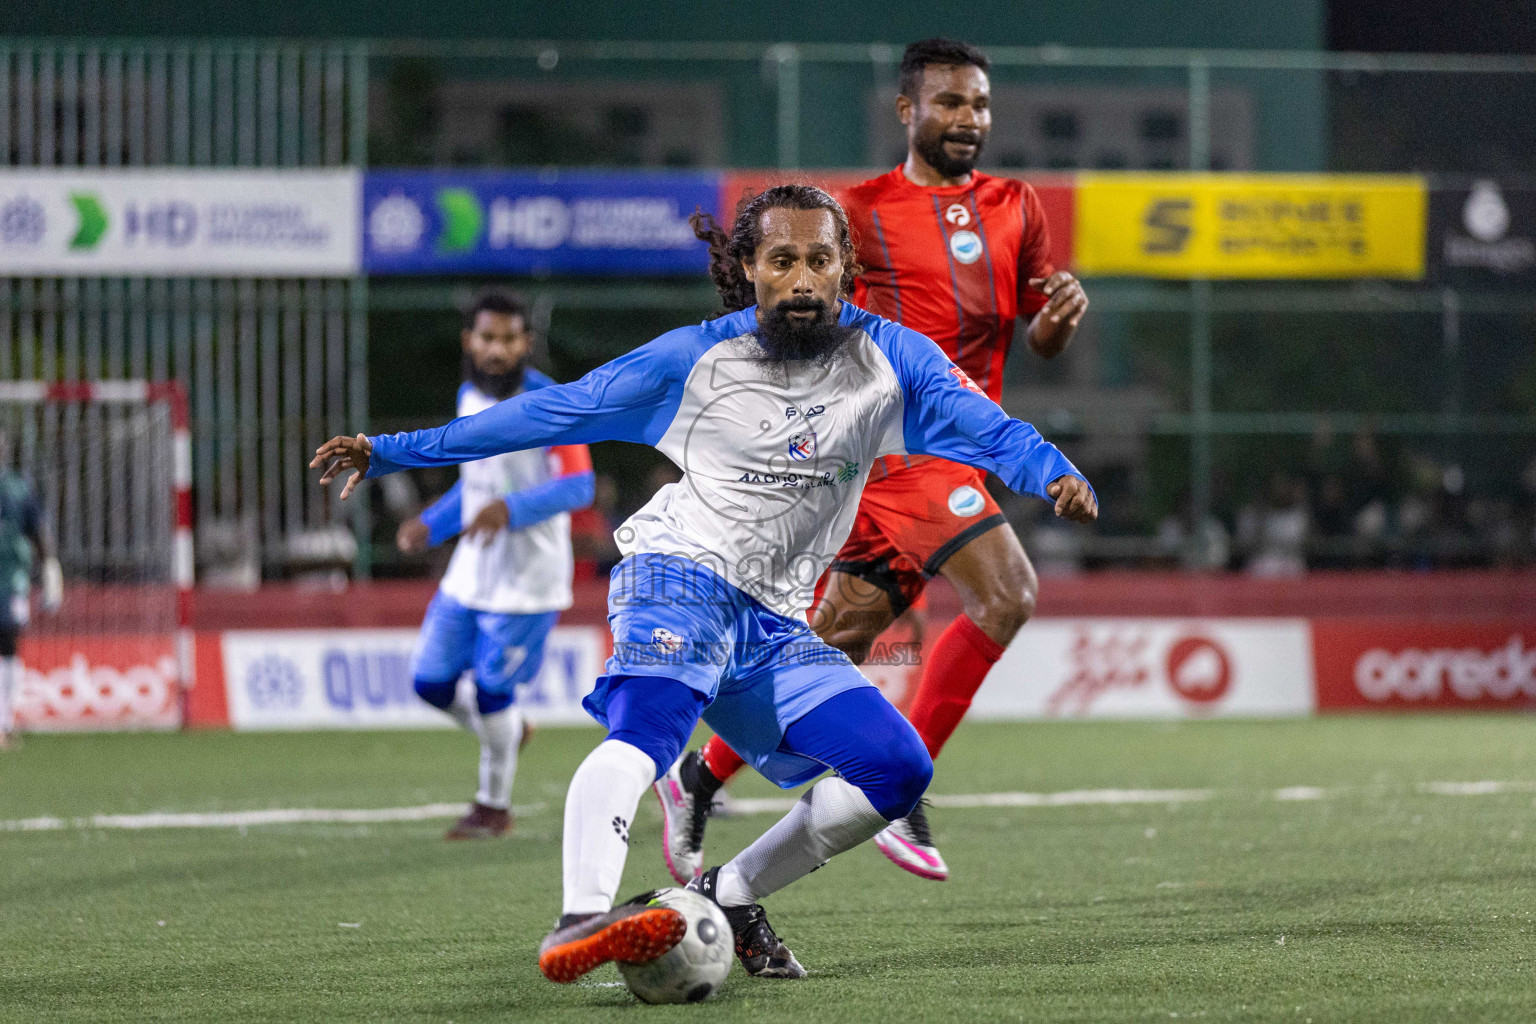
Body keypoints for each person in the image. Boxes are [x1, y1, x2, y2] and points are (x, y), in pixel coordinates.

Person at [311, 184, 1096, 984]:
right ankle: (581, 918)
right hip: (675, 574)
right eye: (781, 260)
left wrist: (1051, 470)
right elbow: (551, 415)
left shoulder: (891, 362)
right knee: (647, 728)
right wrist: (396, 449)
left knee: (897, 769)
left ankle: (729, 891)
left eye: (818, 260)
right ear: (747, 269)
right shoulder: (692, 360)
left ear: (844, 270)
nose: (800, 279)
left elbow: (987, 427)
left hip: (771, 624)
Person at [658, 38, 1090, 884]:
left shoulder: (1017, 206)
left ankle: (696, 778)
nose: (969, 119)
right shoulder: (855, 211)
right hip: (898, 452)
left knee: (837, 640)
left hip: (964, 456)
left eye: (980, 105)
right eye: (951, 103)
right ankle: (900, 791)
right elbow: (797, 305)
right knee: (1009, 594)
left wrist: (1063, 317)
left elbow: (1036, 339)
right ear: (908, 111)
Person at [393, 290, 595, 839]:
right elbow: (476, 486)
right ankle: (508, 731)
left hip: (527, 581)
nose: (497, 350)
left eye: (509, 339)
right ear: (470, 342)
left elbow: (579, 486)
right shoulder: (468, 397)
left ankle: (492, 805)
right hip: (472, 571)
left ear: (526, 343)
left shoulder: (552, 402)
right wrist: (431, 524)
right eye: (487, 338)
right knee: (430, 683)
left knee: (490, 693)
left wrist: (511, 510)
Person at [0, 449, 62, 750]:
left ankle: (4, 724)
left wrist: (51, 568)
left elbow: (38, 530)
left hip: (10, 579)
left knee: (8, 639)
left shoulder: (18, 488)